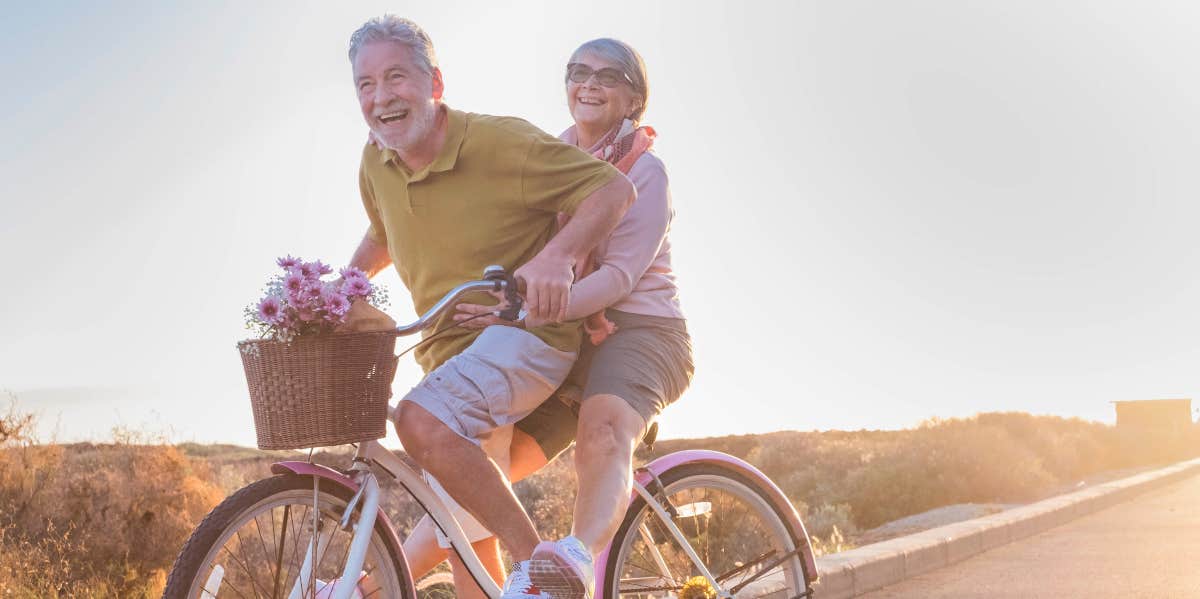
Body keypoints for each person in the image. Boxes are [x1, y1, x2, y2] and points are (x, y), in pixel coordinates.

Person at [341, 16, 636, 599]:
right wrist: (338, 292)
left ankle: (541, 566)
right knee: (467, 551)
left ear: (436, 83)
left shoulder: (500, 143)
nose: (380, 98)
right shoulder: (375, 163)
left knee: (419, 420)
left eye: (395, 77)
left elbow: (612, 190)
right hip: (449, 355)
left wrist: (559, 257)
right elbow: (381, 233)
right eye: (365, 85)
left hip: (527, 337)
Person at [405, 37, 693, 599]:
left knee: (602, 429)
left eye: (607, 77)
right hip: (563, 337)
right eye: (578, 72)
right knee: (478, 470)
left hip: (642, 331)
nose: (588, 83)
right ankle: (369, 585)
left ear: (634, 99)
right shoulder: (552, 153)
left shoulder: (646, 172)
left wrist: (524, 309)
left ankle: (568, 566)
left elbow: (617, 281)